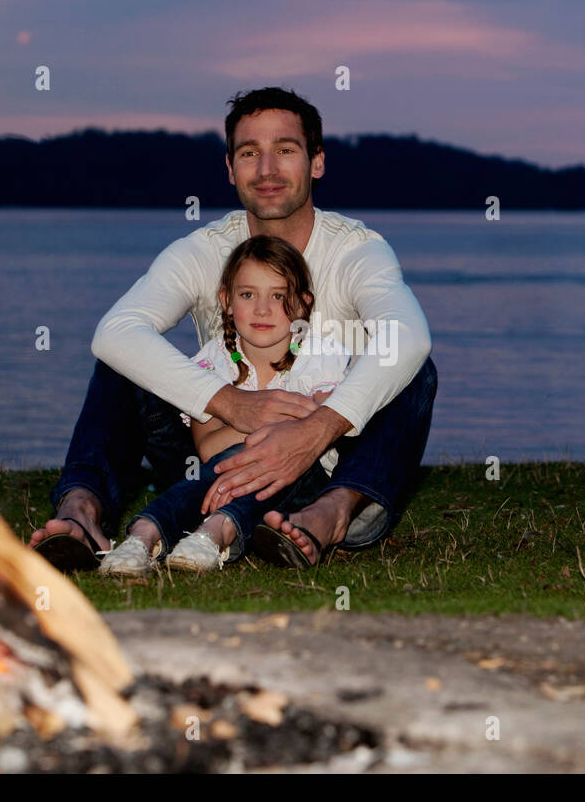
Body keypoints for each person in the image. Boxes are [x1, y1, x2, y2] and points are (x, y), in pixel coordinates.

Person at [29, 86, 436, 573]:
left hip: (329, 457)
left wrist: (313, 431)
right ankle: (81, 512)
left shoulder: (355, 250)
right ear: (230, 169)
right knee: (122, 360)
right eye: (249, 153)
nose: (266, 170)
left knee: (416, 371)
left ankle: (332, 513)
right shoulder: (204, 250)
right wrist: (230, 402)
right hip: (211, 443)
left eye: (285, 150)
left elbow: (408, 335)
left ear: (317, 162)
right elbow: (116, 331)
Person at [99, 235, 348, 574]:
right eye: (248, 295)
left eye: (278, 295)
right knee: (229, 463)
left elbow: (317, 433)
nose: (262, 309)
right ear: (227, 301)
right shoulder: (212, 362)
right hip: (215, 472)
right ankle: (143, 536)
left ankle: (213, 533)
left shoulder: (320, 358)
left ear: (303, 304)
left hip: (302, 479)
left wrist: (260, 436)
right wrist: (266, 426)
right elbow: (207, 447)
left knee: (269, 462)